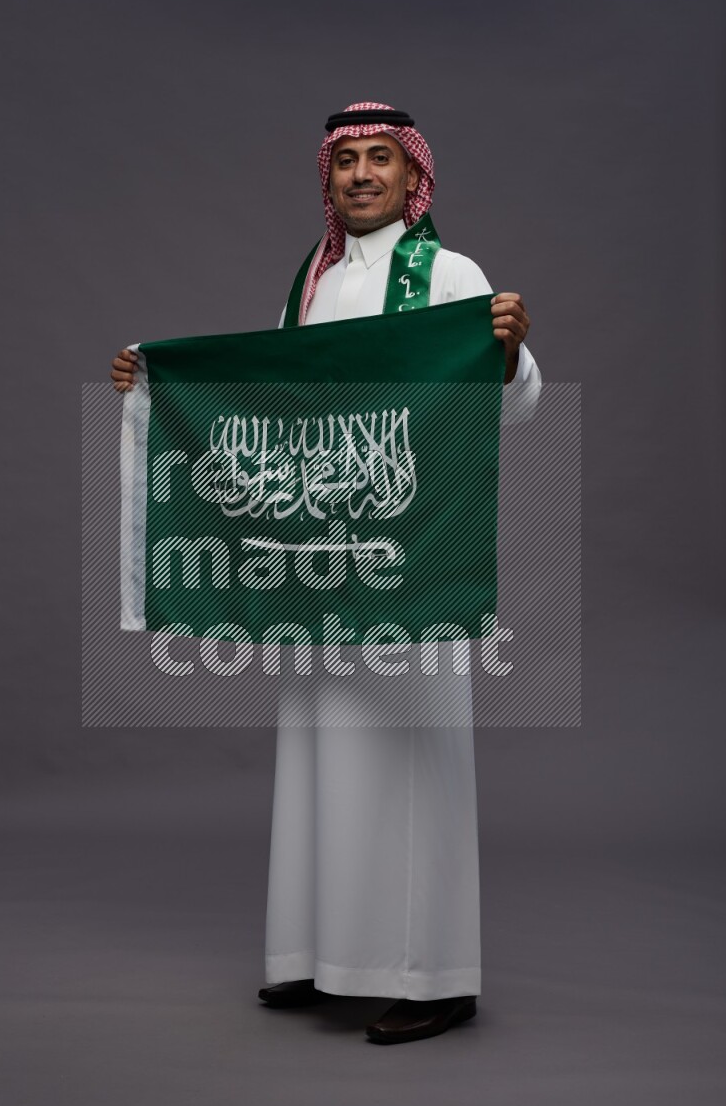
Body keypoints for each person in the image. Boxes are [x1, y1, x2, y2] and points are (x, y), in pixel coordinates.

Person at [111, 101, 541, 1044]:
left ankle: (434, 974)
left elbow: (508, 404)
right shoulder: (305, 284)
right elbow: (272, 406)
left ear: (410, 174)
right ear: (328, 176)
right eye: (345, 161)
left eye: (379, 159)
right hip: (317, 566)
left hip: (409, 562)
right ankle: (316, 953)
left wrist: (508, 355)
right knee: (319, 756)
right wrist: (159, 385)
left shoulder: (451, 273)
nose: (360, 176)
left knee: (410, 760)